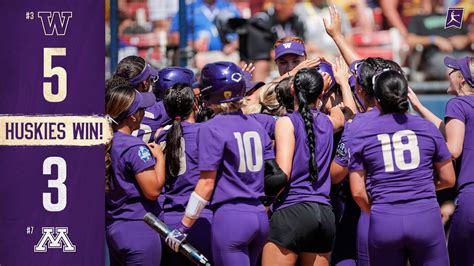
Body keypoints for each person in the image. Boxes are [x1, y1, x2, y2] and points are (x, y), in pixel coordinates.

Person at [164, 61, 287, 266]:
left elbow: (206, 184)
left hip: (231, 218)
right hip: (259, 215)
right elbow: (276, 176)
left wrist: (183, 227)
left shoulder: (211, 128)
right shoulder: (256, 126)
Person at [348, 69, 455, 265]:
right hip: (425, 216)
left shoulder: (362, 133)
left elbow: (357, 192)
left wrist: (379, 208)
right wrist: (421, 188)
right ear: (406, 94)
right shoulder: (427, 128)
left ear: (377, 100)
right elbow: (448, 179)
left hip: (385, 218)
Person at [263, 67, 345, 266]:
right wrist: (328, 93)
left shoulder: (286, 122)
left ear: (292, 90)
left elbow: (282, 175)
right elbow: (341, 119)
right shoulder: (326, 122)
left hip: (292, 211)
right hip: (324, 215)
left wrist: (266, 204)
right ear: (320, 93)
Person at [408, 56, 474, 266]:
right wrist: (419, 106)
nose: (448, 75)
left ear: (462, 79)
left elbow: (453, 149)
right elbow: (452, 131)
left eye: (452, 71)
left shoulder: (457, 104)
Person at [105, 85, 165, 265]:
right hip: (139, 229)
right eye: (141, 109)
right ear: (132, 116)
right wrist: (160, 159)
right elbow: (152, 191)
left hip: (114, 227)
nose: (144, 113)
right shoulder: (134, 147)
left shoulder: (104, 141)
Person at [156, 83, 213, 266]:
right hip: (201, 218)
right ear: (195, 105)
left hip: (168, 223)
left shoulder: (161, 136)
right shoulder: (206, 132)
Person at [168, 0, 241, 68]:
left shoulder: (229, 7)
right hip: (199, 55)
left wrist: (233, 45)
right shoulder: (189, 8)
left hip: (227, 54)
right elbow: (172, 37)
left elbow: (242, 31)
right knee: (200, 61)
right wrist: (192, 43)